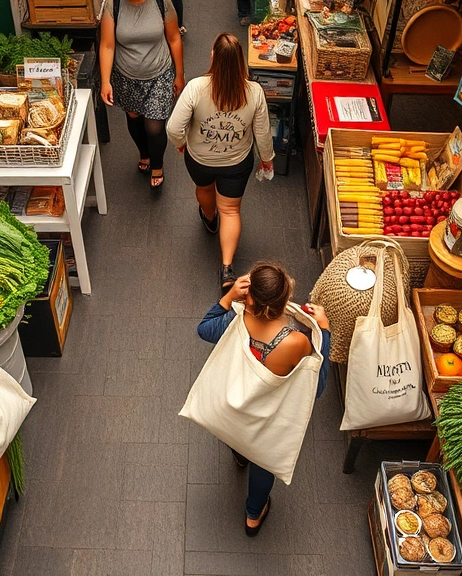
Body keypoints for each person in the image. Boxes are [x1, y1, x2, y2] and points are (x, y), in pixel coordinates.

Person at [196, 263, 331, 536]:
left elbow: (204, 329)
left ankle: (238, 453)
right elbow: (316, 387)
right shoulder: (296, 342)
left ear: (250, 296)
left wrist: (228, 296)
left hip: (233, 409)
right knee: (264, 461)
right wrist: (324, 331)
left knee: (239, 435)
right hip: (266, 418)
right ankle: (253, 516)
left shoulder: (236, 321)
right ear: (284, 302)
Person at [167, 33, 274, 289]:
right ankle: (227, 269)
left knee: (204, 189)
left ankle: (209, 216)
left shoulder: (195, 87)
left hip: (200, 159)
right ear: (241, 60)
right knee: (232, 210)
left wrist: (181, 143)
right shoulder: (255, 92)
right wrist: (267, 159)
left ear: (213, 56)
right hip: (237, 162)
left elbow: (173, 128)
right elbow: (262, 133)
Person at [100, 0, 185, 190]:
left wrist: (179, 74)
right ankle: (144, 153)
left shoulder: (161, 3)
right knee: (134, 118)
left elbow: (174, 38)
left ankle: (157, 165)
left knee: (154, 127)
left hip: (160, 73)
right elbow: (107, 45)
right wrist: (105, 81)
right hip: (126, 76)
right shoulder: (113, 5)